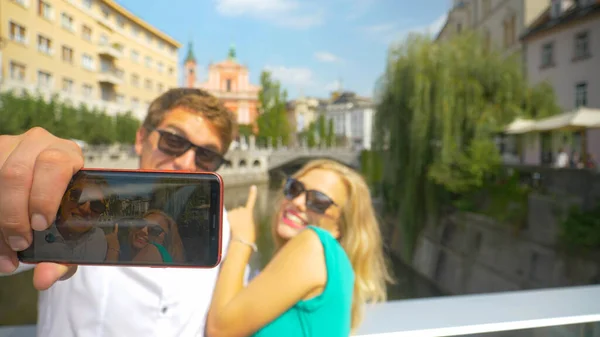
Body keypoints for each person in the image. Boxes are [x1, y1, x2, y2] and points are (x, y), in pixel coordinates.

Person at [0, 88, 245, 336]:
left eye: (207, 156)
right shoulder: (79, 200)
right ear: (141, 139)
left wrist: (245, 240)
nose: (187, 162)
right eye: (174, 141)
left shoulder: (223, 227)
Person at [205, 159, 393, 337]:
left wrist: (241, 239)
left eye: (318, 201)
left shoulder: (315, 244)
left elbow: (220, 330)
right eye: (294, 189)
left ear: (340, 226)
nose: (297, 202)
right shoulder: (336, 268)